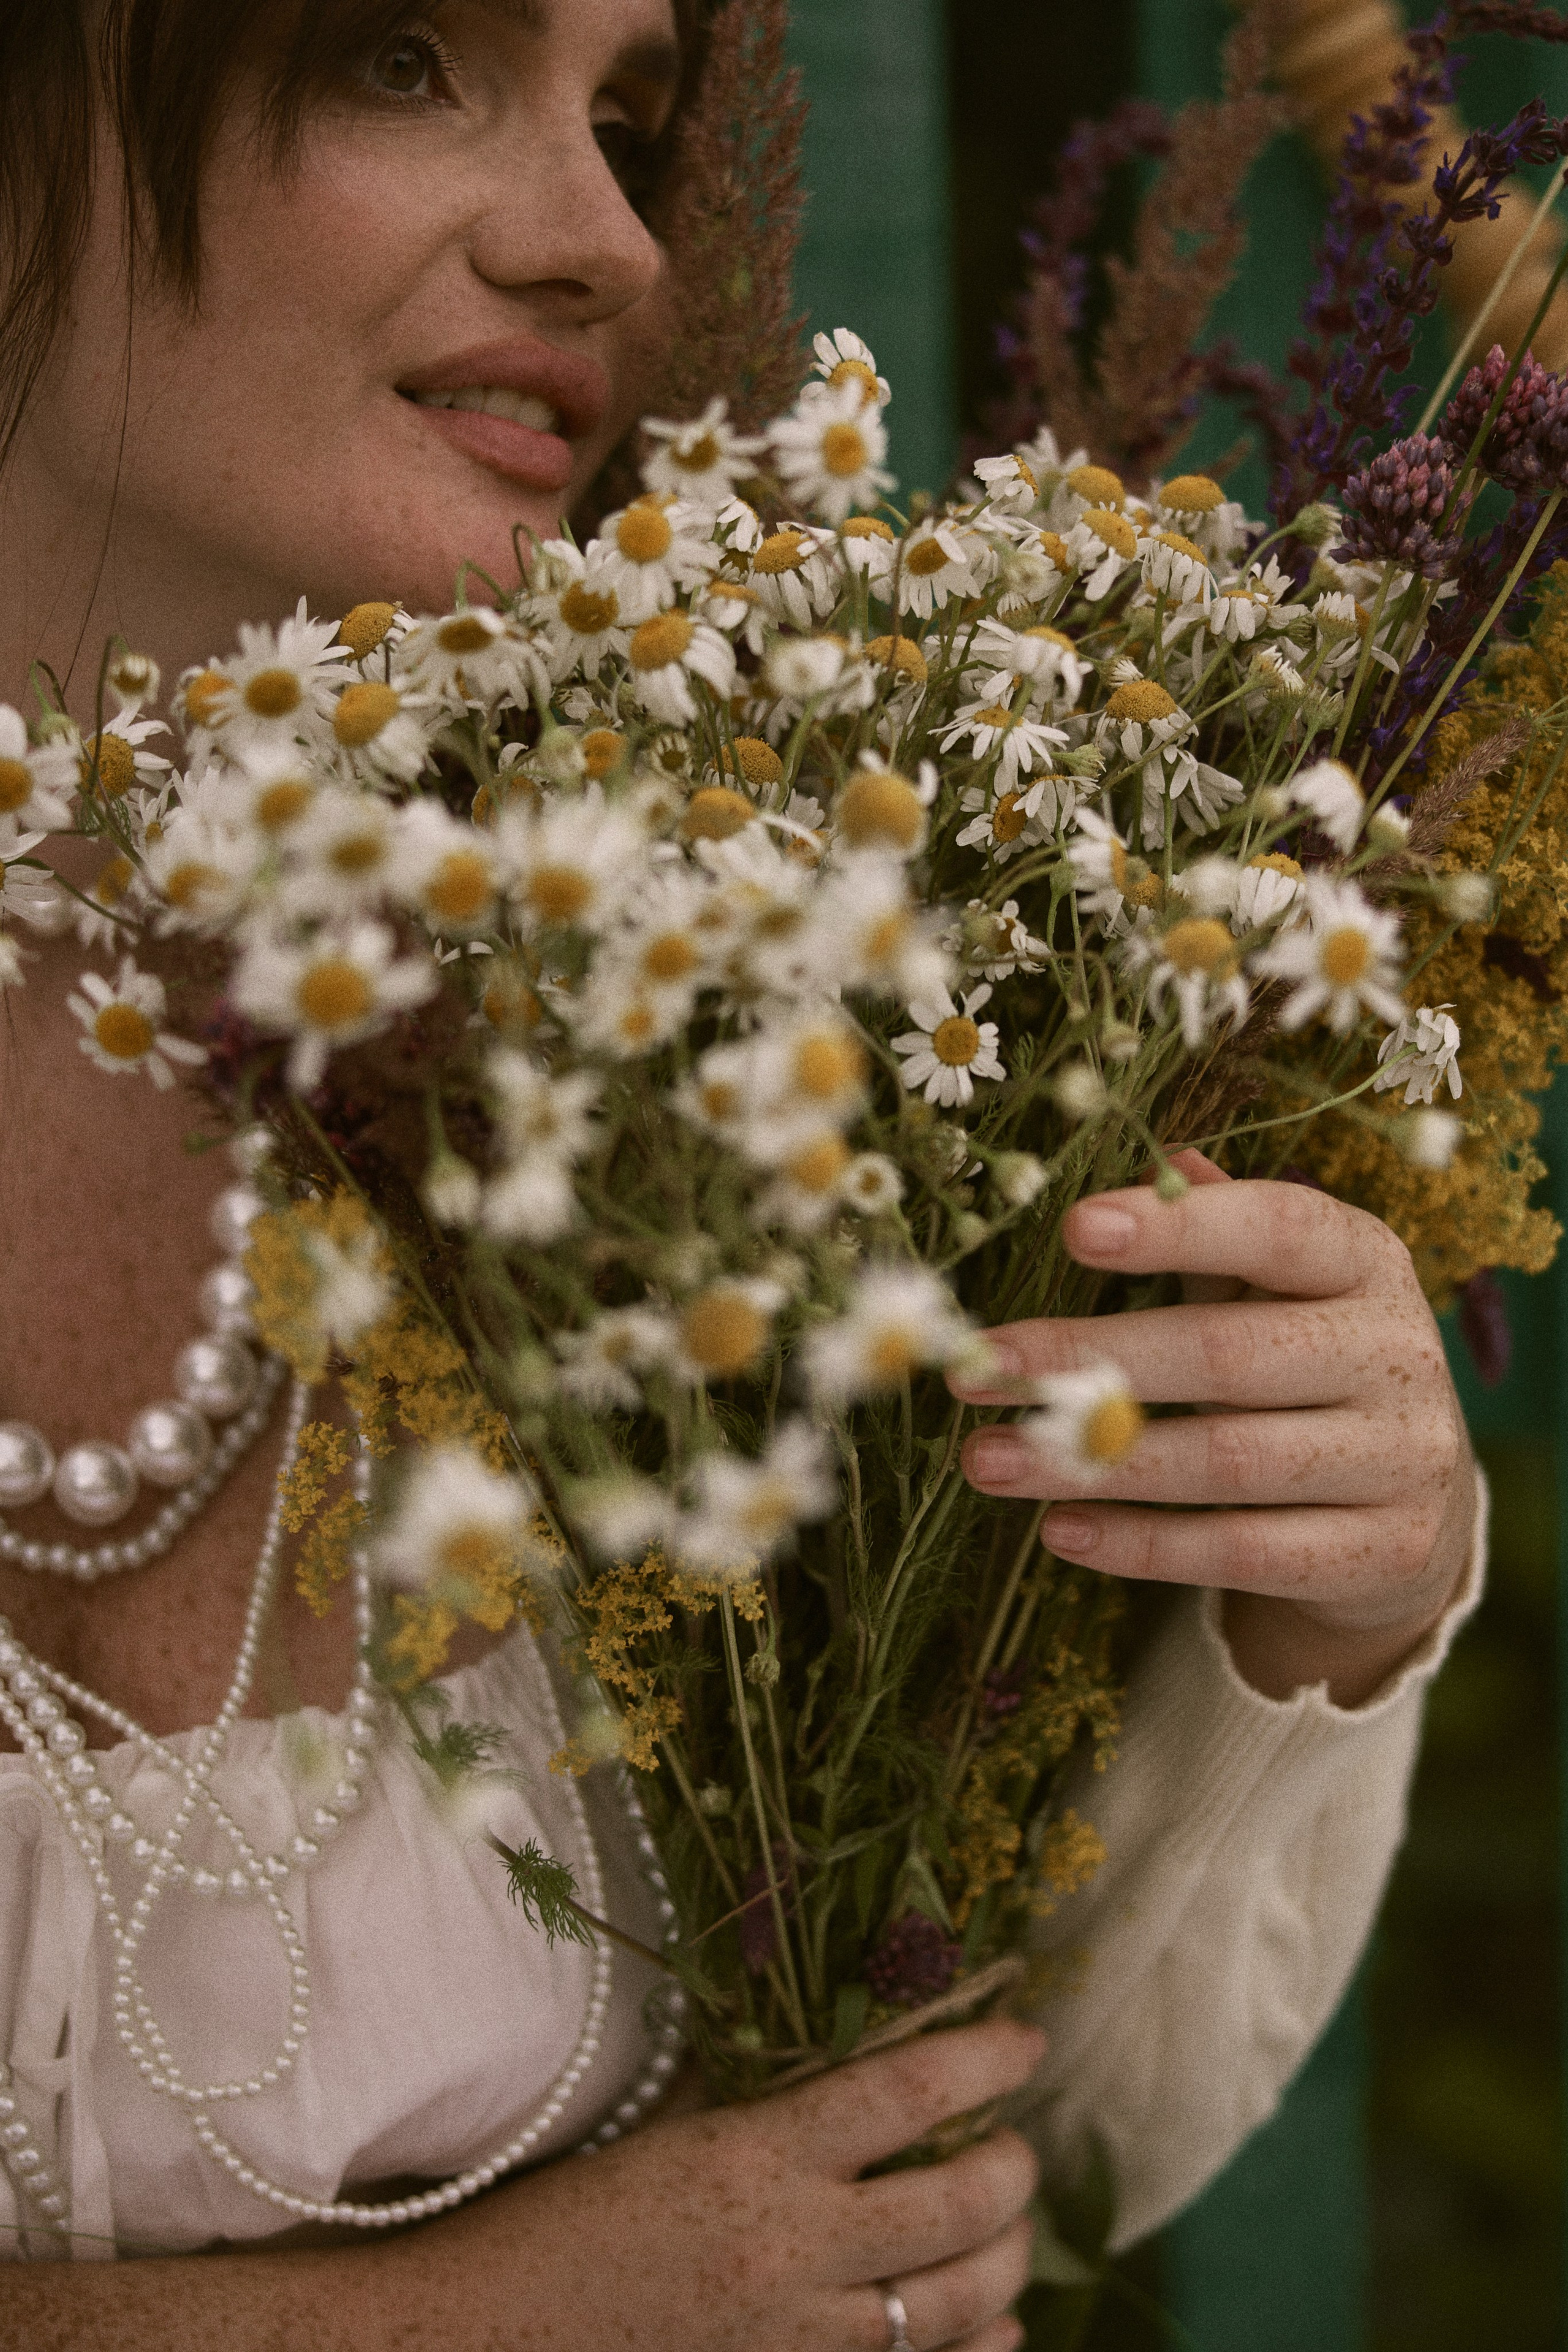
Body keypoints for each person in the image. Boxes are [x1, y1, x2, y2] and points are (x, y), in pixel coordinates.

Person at [0, 0, 1484, 2342]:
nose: (613, 245)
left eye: (631, 118)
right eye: (405, 59)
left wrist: (1324, 1575)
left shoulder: (705, 1017)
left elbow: (1019, 2136)